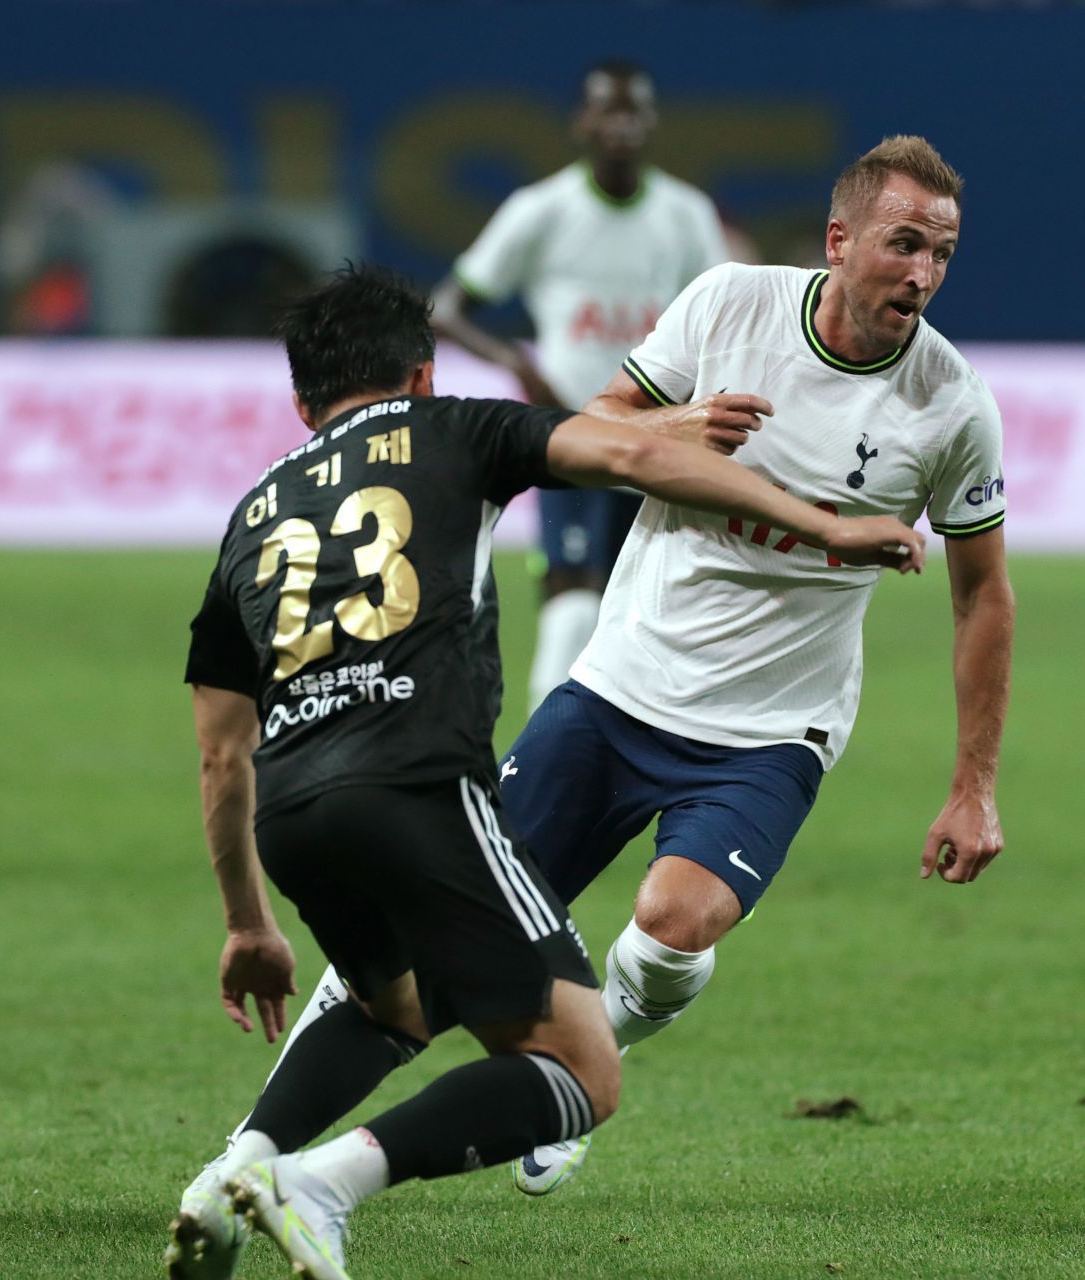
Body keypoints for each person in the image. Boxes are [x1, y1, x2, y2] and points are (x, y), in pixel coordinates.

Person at [167, 265, 922, 1280]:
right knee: (582, 1074)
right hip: (418, 785)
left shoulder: (251, 513)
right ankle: (322, 1181)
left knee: (390, 1002)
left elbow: (221, 752)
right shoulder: (457, 429)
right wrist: (821, 521)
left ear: (301, 402)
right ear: (425, 374)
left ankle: (231, 1171)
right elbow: (622, 452)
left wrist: (248, 924)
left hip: (294, 814)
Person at [491, 132, 1015, 1194]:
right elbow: (596, 429)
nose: (923, 274)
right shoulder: (728, 303)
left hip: (774, 728)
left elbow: (983, 595)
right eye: (903, 243)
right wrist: (679, 423)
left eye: (943, 254)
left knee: (675, 924)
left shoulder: (952, 405)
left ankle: (578, 1069)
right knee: (463, 911)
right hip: (623, 681)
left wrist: (974, 787)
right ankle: (267, 1136)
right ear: (839, 240)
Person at [432, 59, 728, 711]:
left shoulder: (685, 214)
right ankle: (540, 765)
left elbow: (724, 318)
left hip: (658, 439)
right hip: (569, 435)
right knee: (570, 608)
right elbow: (446, 308)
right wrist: (519, 363)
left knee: (648, 623)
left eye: (634, 112)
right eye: (608, 111)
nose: (621, 125)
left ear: (650, 123)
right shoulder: (540, 210)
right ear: (583, 122)